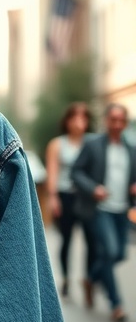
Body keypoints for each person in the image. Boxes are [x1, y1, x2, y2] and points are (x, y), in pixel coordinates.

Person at [72, 103, 136, 322]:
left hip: (122, 208)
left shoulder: (131, 149)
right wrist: (93, 189)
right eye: (113, 120)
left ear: (126, 123)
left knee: (119, 253)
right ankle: (116, 304)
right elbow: (76, 172)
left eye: (121, 120)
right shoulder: (93, 145)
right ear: (107, 121)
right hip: (100, 209)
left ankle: (90, 279)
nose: (117, 124)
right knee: (109, 251)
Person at [45, 102, 94, 301]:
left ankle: (89, 279)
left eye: (83, 118)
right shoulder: (57, 144)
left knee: (93, 241)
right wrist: (53, 198)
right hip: (65, 196)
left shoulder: (92, 142)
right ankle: (65, 278)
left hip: (87, 197)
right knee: (67, 239)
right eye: (75, 117)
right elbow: (53, 172)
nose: (79, 122)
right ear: (67, 121)